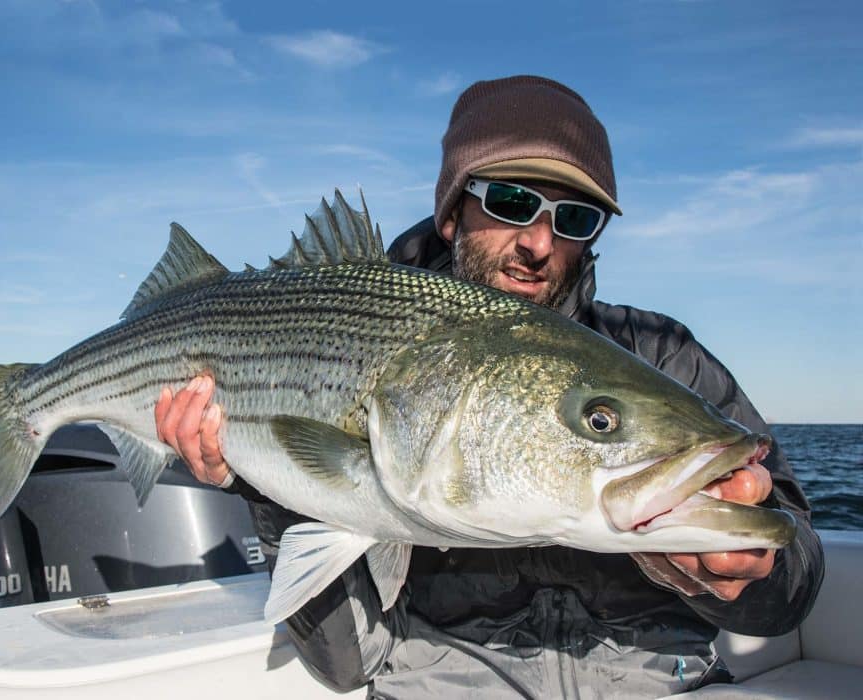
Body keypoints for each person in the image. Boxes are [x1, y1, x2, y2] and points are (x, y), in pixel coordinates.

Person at [154, 76, 824, 698]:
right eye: (510, 200)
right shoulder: (370, 327)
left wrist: (738, 573)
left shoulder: (663, 358)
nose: (538, 240)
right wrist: (263, 482)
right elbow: (343, 667)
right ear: (452, 214)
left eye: (575, 218)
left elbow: (788, 594)